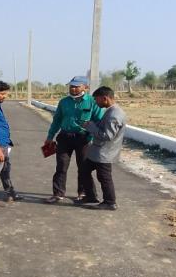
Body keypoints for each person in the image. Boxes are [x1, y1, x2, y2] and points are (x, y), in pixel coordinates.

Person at [44, 75, 104, 203]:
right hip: (65, 137)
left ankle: (83, 193)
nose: (73, 89)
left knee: (83, 167)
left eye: (77, 86)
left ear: (85, 87)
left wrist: (92, 137)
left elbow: (99, 121)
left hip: (84, 139)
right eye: (71, 86)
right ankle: (58, 193)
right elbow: (57, 120)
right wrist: (50, 136)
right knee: (61, 166)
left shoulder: (92, 102)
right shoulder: (64, 102)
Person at [77, 86, 126, 210]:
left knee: (104, 177)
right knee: (84, 170)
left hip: (104, 153)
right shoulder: (111, 111)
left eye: (96, 99)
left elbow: (107, 136)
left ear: (105, 98)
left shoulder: (115, 114)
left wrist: (91, 127)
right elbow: (103, 127)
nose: (95, 102)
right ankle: (91, 196)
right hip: (97, 152)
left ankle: (110, 202)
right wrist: (91, 124)